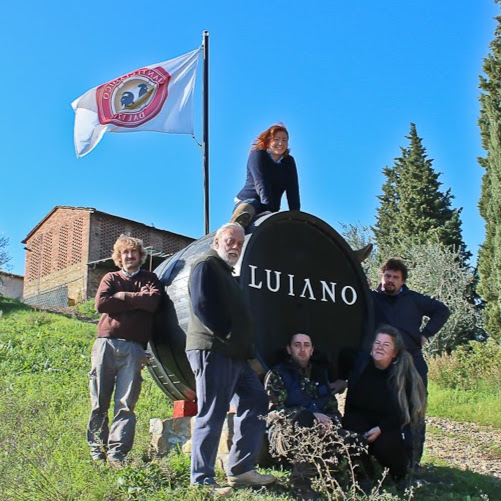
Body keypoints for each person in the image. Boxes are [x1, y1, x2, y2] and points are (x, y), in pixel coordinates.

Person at [186, 222, 275, 493]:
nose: (235, 245)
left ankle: (240, 469)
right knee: (212, 412)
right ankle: (202, 480)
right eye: (230, 240)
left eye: (239, 242)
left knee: (256, 399)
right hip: (214, 350)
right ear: (216, 242)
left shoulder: (226, 272)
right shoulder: (206, 264)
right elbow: (201, 304)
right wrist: (226, 332)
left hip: (236, 354)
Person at [87, 235, 162, 467]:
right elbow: (102, 304)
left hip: (134, 348)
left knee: (126, 404)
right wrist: (137, 301)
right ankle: (98, 451)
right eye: (125, 253)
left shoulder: (150, 278)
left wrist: (123, 297)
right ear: (119, 257)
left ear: (141, 256)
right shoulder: (111, 277)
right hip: (106, 345)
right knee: (99, 401)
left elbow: (153, 303)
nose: (130, 257)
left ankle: (117, 454)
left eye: (134, 253)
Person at [371, 257, 450, 466]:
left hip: (412, 359)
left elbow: (442, 310)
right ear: (382, 276)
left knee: (414, 409)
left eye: (395, 277)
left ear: (402, 281)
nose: (390, 280)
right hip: (382, 363)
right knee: (381, 408)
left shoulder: (414, 300)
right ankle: (380, 460)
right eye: (387, 275)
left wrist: (426, 334)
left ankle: (413, 464)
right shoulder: (371, 298)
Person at [341, 325, 427, 484]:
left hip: (385, 424)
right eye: (377, 343)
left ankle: (400, 477)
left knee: (387, 446)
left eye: (386, 345)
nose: (380, 347)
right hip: (359, 420)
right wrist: (341, 380)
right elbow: (343, 355)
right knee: (349, 437)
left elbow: (403, 413)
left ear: (394, 353)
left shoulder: (402, 376)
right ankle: (363, 475)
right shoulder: (361, 364)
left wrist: (381, 429)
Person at [264, 333, 341, 499]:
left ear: (312, 350)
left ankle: (351, 483)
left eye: (306, 345)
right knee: (306, 419)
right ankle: (301, 485)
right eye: (297, 345)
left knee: (353, 437)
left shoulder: (320, 375)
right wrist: (311, 416)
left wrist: (329, 422)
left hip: (320, 433)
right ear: (289, 349)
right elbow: (273, 413)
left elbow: (333, 410)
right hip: (283, 436)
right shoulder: (277, 374)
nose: (302, 349)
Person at [230, 123, 300, 227]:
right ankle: (234, 226)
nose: (280, 143)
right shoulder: (258, 155)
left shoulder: (289, 162)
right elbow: (261, 183)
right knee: (252, 204)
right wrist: (268, 212)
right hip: (250, 200)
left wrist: (296, 217)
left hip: (272, 207)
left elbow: (293, 190)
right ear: (268, 141)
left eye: (284, 140)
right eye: (276, 139)